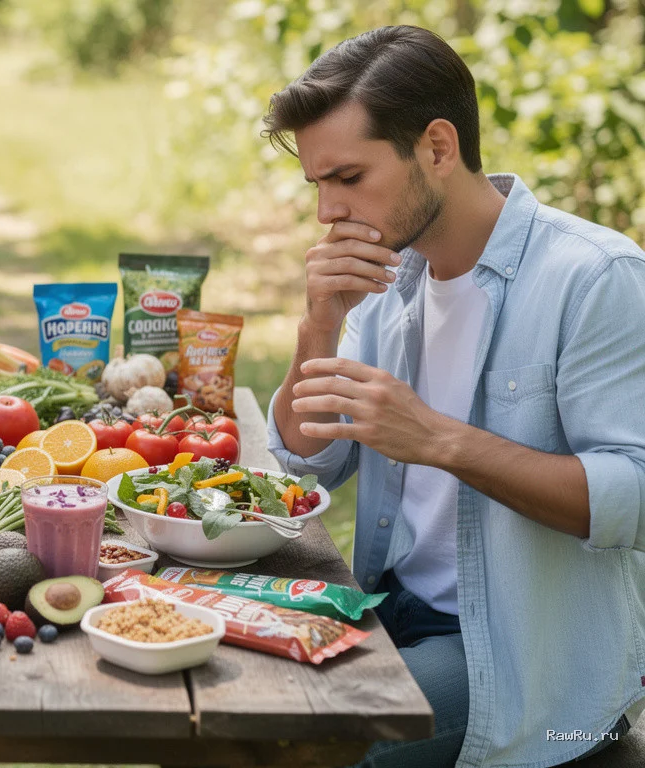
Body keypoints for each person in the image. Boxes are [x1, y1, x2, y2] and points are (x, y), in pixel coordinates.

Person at [262, 25, 645, 768]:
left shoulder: (596, 277)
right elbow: (309, 459)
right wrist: (320, 321)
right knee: (211, 689)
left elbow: (636, 497)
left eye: (348, 177)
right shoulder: (385, 279)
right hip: (384, 603)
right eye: (317, 185)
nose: (327, 213)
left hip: (516, 650)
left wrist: (440, 440)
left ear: (437, 147)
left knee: (326, 745)